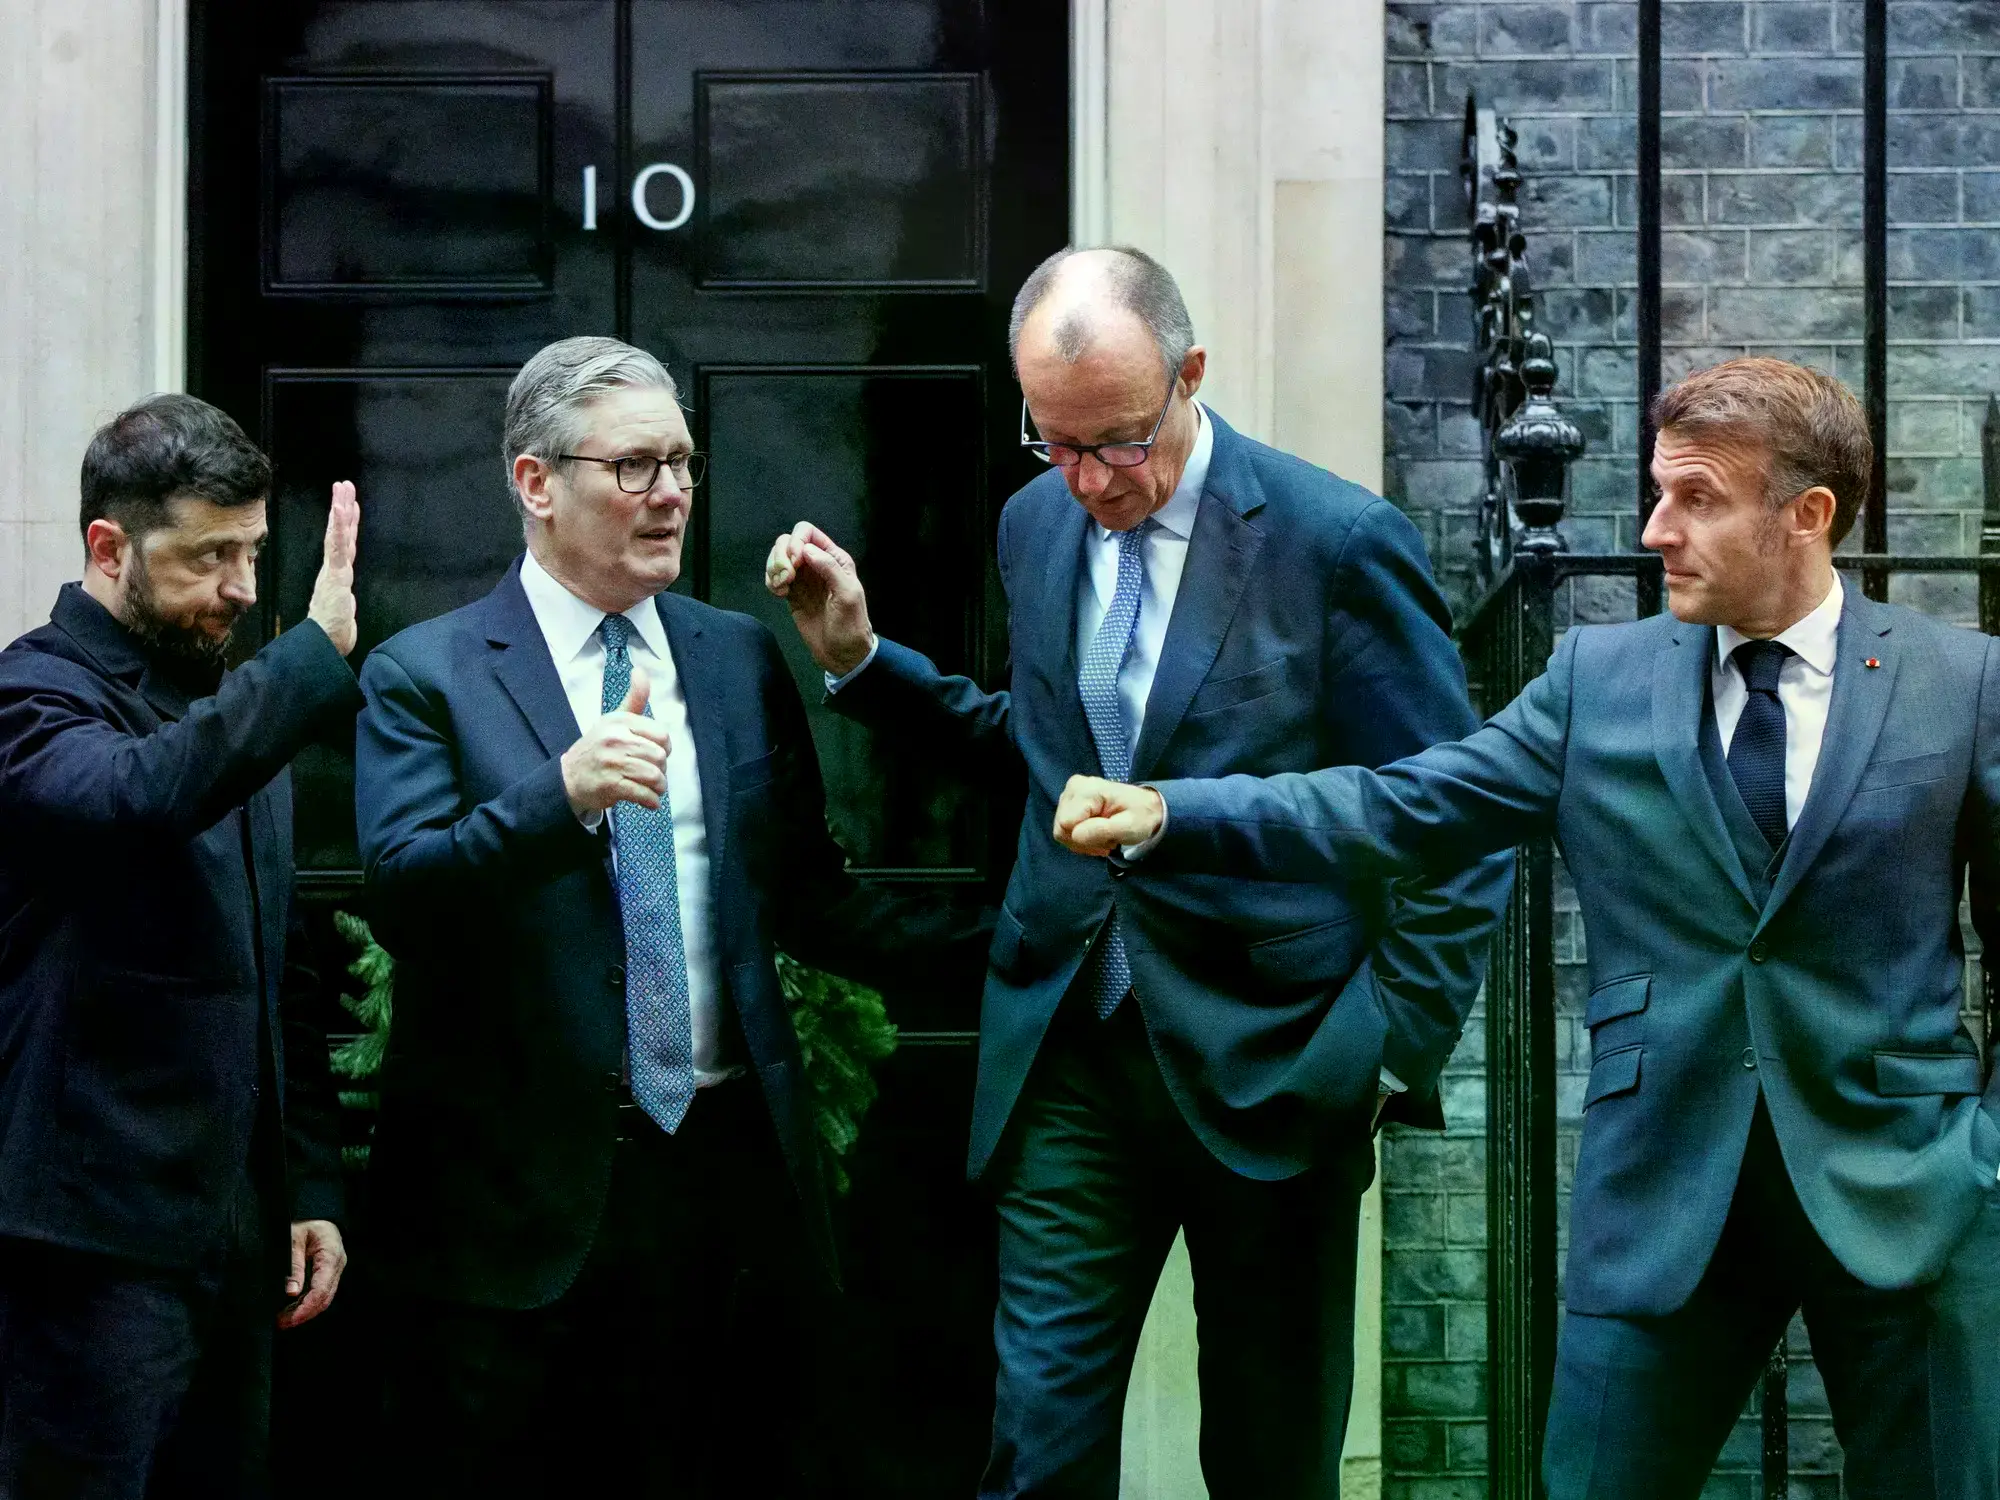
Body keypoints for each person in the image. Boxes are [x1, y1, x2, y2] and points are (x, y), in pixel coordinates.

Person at [1055, 357, 2000, 1500]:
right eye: (1656, 492)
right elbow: (1401, 802)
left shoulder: (1957, 685)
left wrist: (1979, 1164)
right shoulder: (1594, 680)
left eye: (1695, 499)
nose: (1656, 530)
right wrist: (1173, 813)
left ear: (1805, 517)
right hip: (1659, 1194)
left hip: (1904, 1195)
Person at [765, 246, 1511, 1499]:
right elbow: (1054, 749)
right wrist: (863, 662)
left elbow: (1449, 812)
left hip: (1277, 1063)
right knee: (1036, 1451)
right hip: (1069, 1056)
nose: (1090, 480)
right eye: (1052, 444)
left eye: (1116, 441)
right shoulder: (1032, 524)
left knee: (1269, 1463)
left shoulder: (1334, 541)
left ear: (1190, 377)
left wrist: (1384, 1050)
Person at [353, 335, 984, 1498]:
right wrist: (563, 795)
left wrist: (1030, 944)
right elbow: (403, 895)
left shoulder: (734, 655)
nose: (672, 494)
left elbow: (810, 904)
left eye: (682, 464)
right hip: (516, 1215)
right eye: (635, 467)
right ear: (536, 483)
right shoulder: (425, 673)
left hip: (725, 1186)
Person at [0, 394, 362, 1498]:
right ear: (109, 548)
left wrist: (307, 1187)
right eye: (209, 557)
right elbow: (132, 799)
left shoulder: (225, 711)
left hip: (234, 1245)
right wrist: (308, 662)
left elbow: (278, 975)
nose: (243, 589)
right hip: (88, 1252)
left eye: (252, 551)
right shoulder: (34, 694)